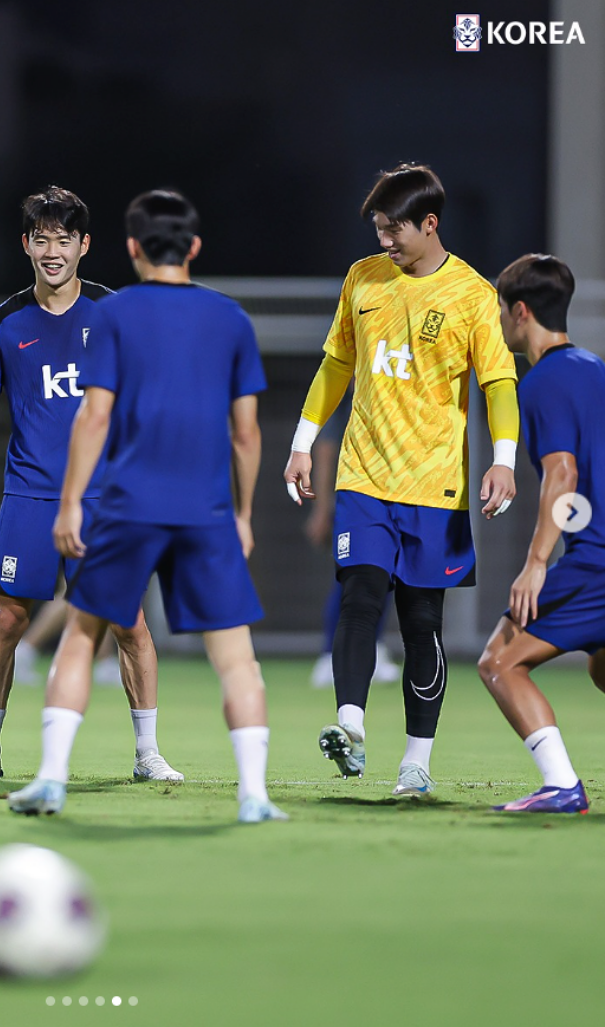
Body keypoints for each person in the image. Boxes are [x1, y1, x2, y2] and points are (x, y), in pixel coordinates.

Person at [8, 189, 285, 824]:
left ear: (131, 248)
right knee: (236, 656)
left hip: (128, 504)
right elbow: (247, 433)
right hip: (205, 509)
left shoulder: (114, 315)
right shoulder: (231, 319)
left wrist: (71, 502)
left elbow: (94, 414)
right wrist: (242, 515)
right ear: (193, 247)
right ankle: (254, 795)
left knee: (80, 638)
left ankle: (50, 780)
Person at [283, 163, 519, 796]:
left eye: (394, 230)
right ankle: (350, 727)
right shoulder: (363, 278)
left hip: (435, 487)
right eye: (379, 228)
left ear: (429, 224)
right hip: (363, 476)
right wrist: (303, 444)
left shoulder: (470, 294)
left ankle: (416, 760)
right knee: (360, 593)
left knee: (421, 622)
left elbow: (498, 382)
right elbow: (337, 364)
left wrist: (504, 459)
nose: (384, 240)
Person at [0, 185, 182, 783]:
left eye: (65, 239)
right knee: (5, 621)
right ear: (27, 245)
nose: (53, 250)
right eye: (42, 238)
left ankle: (148, 754)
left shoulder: (114, 314)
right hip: (28, 493)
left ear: (84, 246)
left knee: (128, 621)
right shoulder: (4, 321)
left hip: (104, 496)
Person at [478, 254, 602, 813]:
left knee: (498, 662)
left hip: (596, 562)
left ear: (520, 311)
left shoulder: (545, 379)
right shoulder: (595, 368)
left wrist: (536, 562)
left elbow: (563, 472)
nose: (499, 322)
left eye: (501, 311)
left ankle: (561, 785)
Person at [305, 390, 399, 689]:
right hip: (353, 506)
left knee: (384, 581)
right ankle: (328, 655)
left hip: (390, 503)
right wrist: (322, 509)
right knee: (350, 580)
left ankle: (374, 648)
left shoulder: (391, 399)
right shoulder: (346, 403)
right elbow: (325, 451)